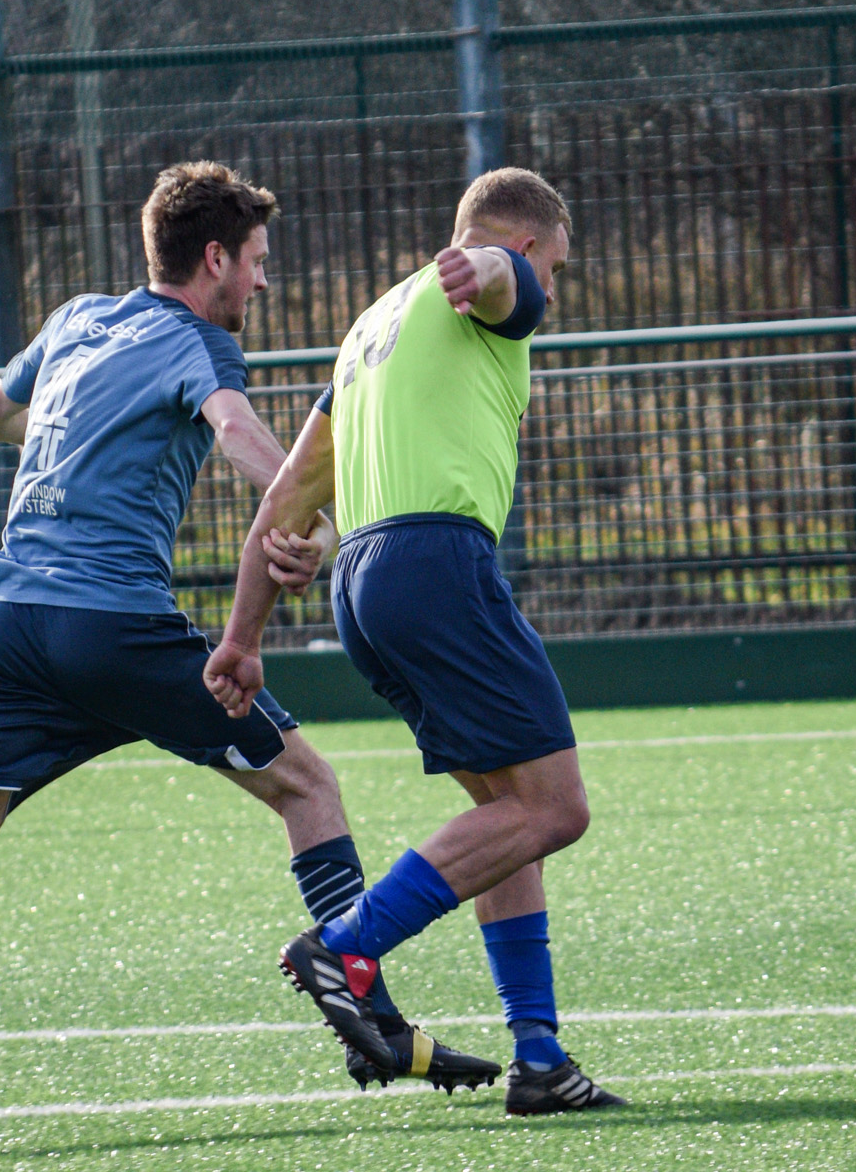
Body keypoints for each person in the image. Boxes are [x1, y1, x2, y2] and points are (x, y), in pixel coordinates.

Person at [0, 161, 497, 1101]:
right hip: (110, 624)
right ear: (215, 258)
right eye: (257, 261)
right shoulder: (200, 342)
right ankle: (372, 1020)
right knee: (307, 785)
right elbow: (236, 434)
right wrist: (323, 519)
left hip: (14, 627)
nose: (264, 282)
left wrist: (78, 440)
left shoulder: (77, 319)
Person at [207, 166, 625, 1117]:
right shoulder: (486, 286)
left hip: (362, 583)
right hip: (437, 564)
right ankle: (344, 946)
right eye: (555, 267)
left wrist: (242, 639)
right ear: (526, 244)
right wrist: (491, 268)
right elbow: (504, 280)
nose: (552, 288)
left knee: (507, 815)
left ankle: (540, 1057)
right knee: (556, 809)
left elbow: (288, 498)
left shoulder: (369, 330)